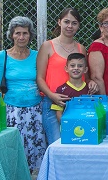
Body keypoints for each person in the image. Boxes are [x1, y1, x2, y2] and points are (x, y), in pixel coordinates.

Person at [0, 16, 46, 180]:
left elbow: (41, 78)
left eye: (25, 33)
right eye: (18, 33)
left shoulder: (36, 55)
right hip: (12, 110)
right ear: (11, 35)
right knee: (15, 151)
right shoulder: (2, 56)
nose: (22, 36)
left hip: (34, 109)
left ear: (30, 35)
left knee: (32, 151)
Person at [37, 8, 96, 145]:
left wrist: (91, 82)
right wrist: (52, 96)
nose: (70, 26)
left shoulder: (81, 48)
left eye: (74, 23)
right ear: (59, 22)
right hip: (53, 103)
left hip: (77, 104)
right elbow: (40, 78)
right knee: (58, 144)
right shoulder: (47, 46)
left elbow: (84, 76)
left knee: (79, 143)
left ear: (78, 25)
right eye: (66, 22)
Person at [50, 53, 90, 121]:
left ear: (85, 69)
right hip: (68, 127)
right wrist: (66, 126)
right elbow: (59, 113)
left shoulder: (89, 89)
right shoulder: (61, 90)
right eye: (72, 66)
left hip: (86, 125)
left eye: (80, 66)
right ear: (66, 68)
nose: (76, 68)